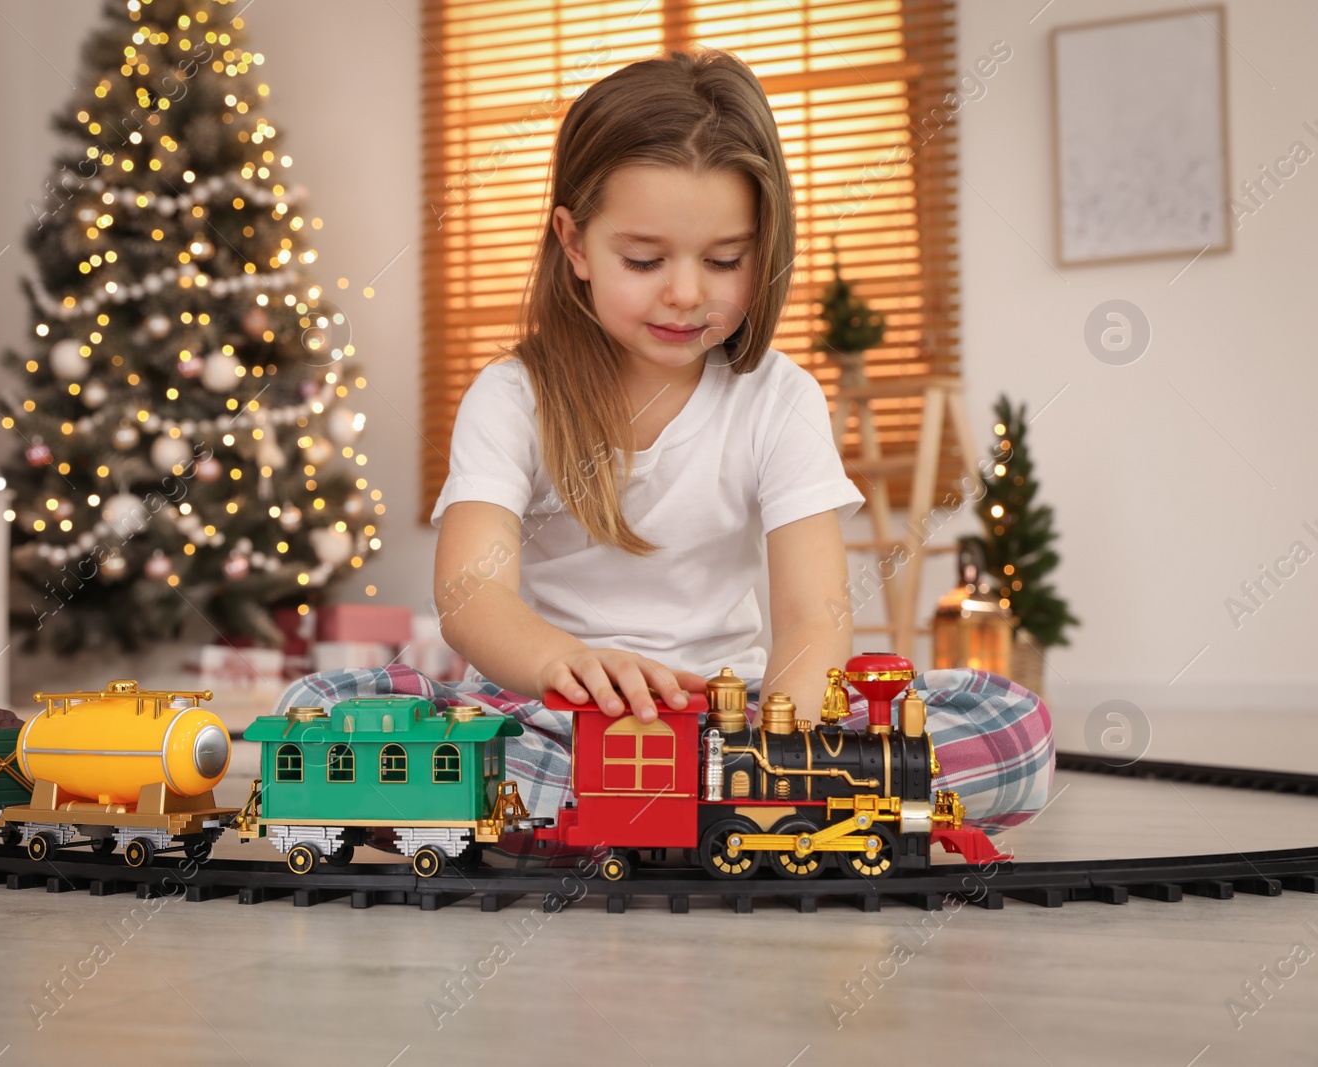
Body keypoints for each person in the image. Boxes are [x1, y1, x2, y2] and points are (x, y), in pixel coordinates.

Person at [277, 49, 1052, 848]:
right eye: (644, 260)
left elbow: (811, 617)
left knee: (1016, 723)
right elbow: (471, 597)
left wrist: (784, 758)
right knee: (314, 711)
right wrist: (566, 663)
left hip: (733, 713)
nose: (686, 293)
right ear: (574, 244)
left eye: (725, 260)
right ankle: (661, 813)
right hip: (548, 715)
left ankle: (661, 811)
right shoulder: (512, 397)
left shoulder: (779, 399)